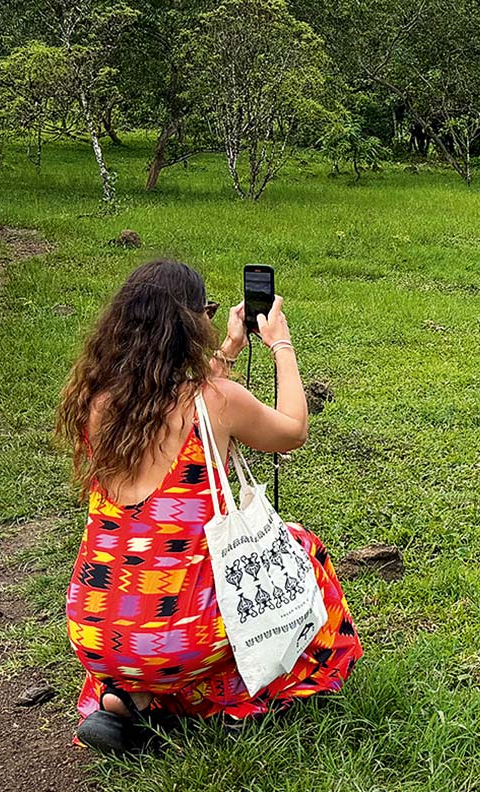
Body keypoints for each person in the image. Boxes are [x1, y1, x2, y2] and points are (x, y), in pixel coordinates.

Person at [57, 259, 360, 753]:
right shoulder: (217, 400)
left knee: (148, 623)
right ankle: (242, 698)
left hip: (97, 630)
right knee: (302, 551)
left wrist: (231, 347)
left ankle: (126, 699)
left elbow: (172, 391)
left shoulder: (100, 402)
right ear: (191, 323)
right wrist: (280, 344)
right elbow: (292, 431)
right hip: (179, 638)